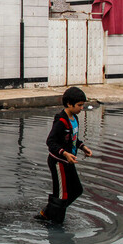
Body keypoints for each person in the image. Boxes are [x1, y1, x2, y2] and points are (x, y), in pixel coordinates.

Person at [36, 86, 93, 224]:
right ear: (69, 104)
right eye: (79, 105)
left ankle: (49, 213)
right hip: (58, 162)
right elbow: (51, 141)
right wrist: (64, 153)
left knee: (77, 190)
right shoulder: (61, 120)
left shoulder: (74, 119)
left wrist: (82, 147)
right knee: (61, 196)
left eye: (82, 105)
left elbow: (73, 139)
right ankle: (55, 225)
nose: (81, 108)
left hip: (68, 161)